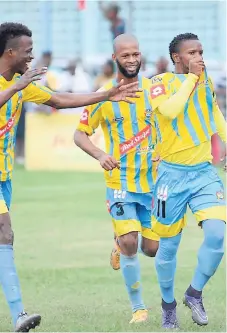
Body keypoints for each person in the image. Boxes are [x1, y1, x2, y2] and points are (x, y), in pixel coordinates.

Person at [0, 22, 140, 332]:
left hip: (5, 176)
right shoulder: (15, 85)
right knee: (4, 232)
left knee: (3, 237)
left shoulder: (23, 84)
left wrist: (107, 94)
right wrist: (16, 87)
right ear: (10, 52)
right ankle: (18, 315)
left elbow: (60, 100)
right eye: (27, 51)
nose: (31, 56)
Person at [74, 33, 159, 324]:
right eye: (126, 55)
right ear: (115, 58)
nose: (132, 60)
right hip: (120, 182)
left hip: (154, 184)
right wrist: (99, 154)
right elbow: (79, 134)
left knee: (152, 249)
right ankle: (139, 309)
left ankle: (119, 245)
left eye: (136, 54)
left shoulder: (155, 91)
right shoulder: (104, 95)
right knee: (131, 244)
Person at [148, 33, 226, 329]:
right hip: (171, 176)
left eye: (201, 51)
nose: (199, 57)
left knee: (217, 236)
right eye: (192, 52)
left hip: (204, 172)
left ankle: (194, 293)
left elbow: (214, 113)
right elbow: (170, 111)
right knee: (168, 248)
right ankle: (168, 306)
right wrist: (192, 79)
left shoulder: (204, 80)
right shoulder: (158, 83)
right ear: (177, 58)